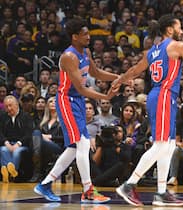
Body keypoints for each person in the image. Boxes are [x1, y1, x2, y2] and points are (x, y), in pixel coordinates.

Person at [111, 14, 183, 207]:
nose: (182, 31)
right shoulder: (177, 46)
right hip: (165, 95)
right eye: (179, 27)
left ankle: (162, 192)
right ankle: (129, 184)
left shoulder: (152, 51)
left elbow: (134, 71)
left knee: (170, 144)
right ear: (170, 29)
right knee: (162, 145)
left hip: (158, 95)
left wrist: (118, 80)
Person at [33, 18, 119, 203]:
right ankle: (88, 189)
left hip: (78, 100)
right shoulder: (68, 57)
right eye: (85, 34)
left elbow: (95, 73)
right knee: (83, 143)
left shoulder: (86, 51)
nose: (89, 37)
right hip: (67, 100)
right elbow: (80, 88)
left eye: (88, 33)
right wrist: (106, 97)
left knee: (74, 147)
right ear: (74, 37)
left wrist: (118, 78)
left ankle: (45, 184)